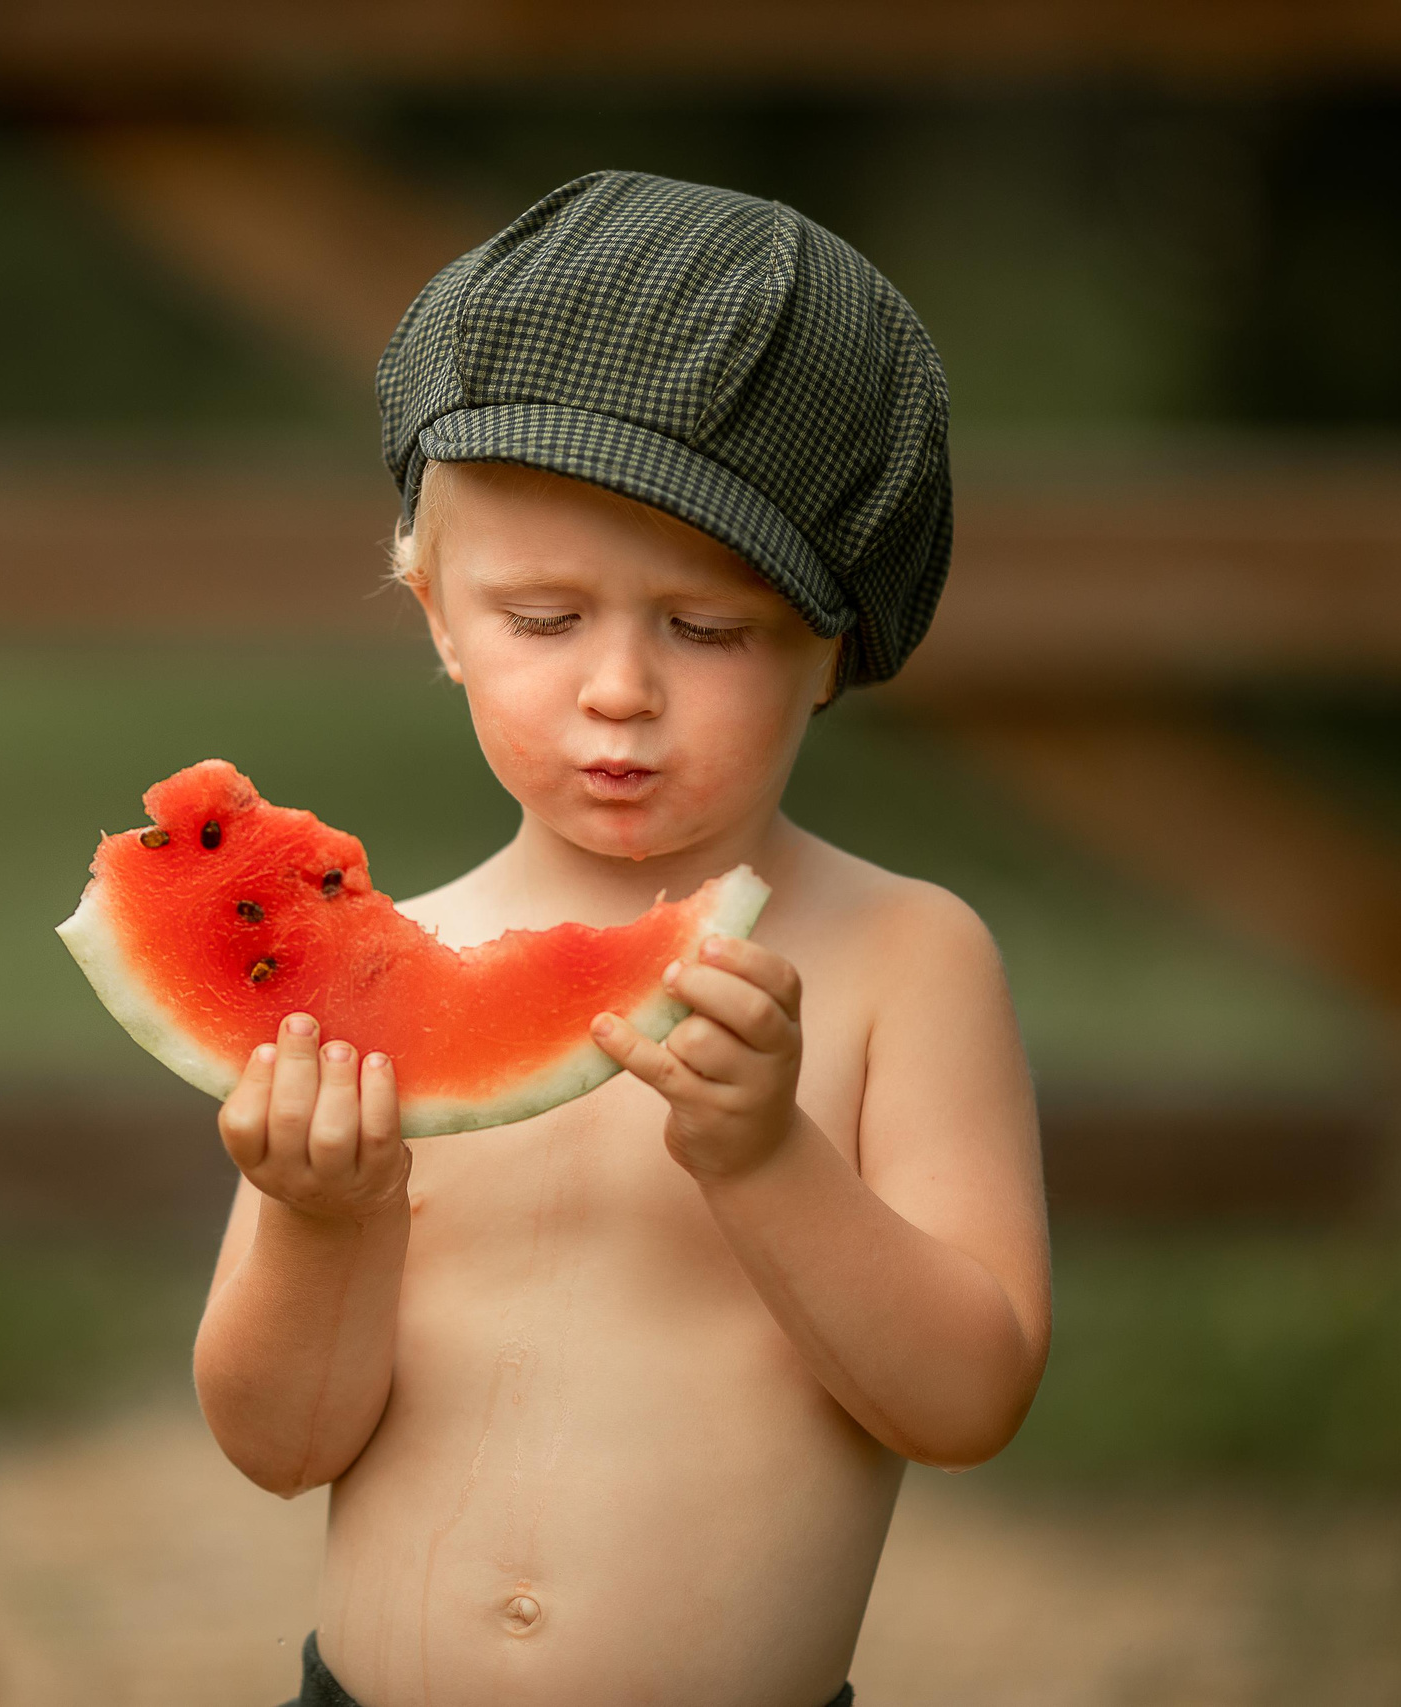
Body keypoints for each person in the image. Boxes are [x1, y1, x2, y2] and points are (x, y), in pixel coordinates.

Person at [193, 169, 1050, 1707]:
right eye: (542, 618)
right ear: (436, 610)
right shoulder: (370, 971)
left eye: (707, 629)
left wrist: (769, 1155)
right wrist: (325, 1221)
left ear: (835, 647)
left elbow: (969, 1396)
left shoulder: (908, 961)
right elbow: (279, 1447)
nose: (618, 691)